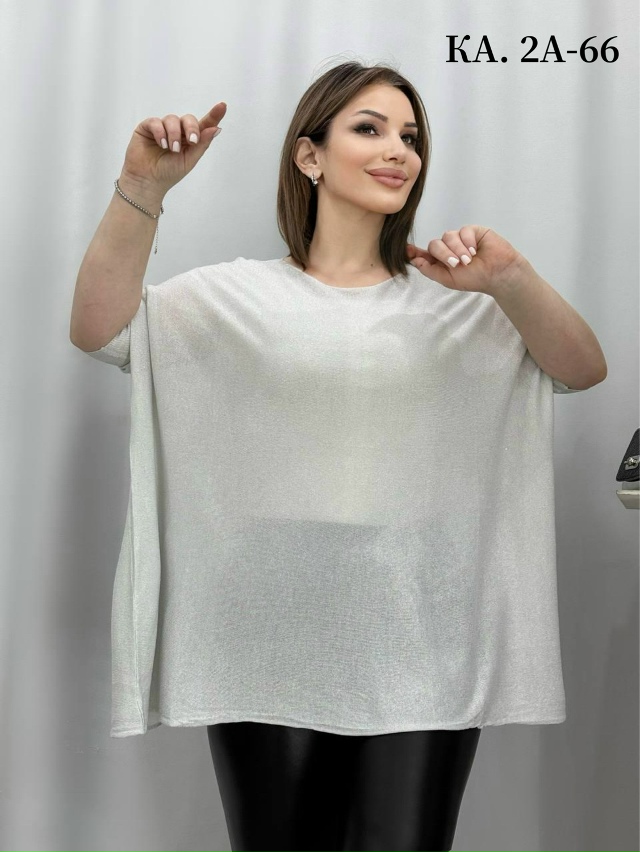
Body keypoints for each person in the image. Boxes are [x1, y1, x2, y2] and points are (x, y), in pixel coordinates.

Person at [71, 60, 591, 852]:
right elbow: (100, 329)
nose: (398, 151)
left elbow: (580, 369)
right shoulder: (233, 297)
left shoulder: (459, 309)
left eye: (410, 137)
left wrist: (511, 278)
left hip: (424, 641)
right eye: (370, 128)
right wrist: (143, 187)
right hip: (265, 639)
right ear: (309, 155)